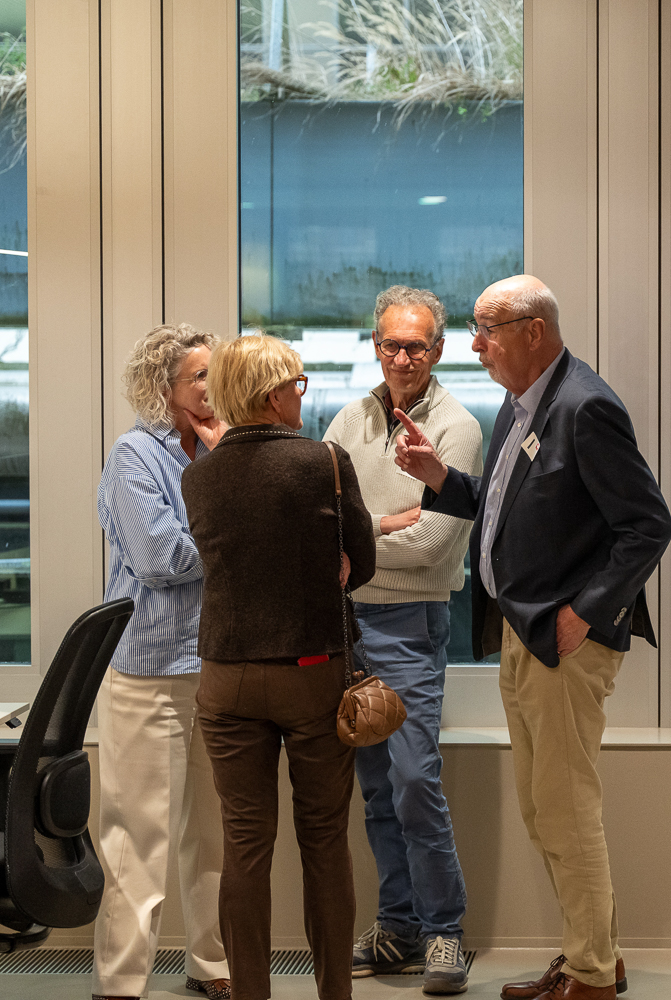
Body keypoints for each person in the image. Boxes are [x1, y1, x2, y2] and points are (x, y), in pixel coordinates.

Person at [394, 275, 671, 1000]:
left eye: (487, 330)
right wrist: (439, 477)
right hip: (524, 633)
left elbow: (648, 525)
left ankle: (591, 976)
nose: (476, 346)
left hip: (564, 641)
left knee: (566, 811)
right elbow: (505, 506)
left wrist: (586, 614)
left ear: (533, 332)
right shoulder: (522, 405)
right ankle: (593, 954)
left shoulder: (585, 405)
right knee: (545, 809)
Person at [182, 334, 377, 1000]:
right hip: (312, 672)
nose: (301, 394)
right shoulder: (323, 461)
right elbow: (361, 561)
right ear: (273, 395)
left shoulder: (199, 476)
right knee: (323, 840)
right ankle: (334, 994)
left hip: (226, 677)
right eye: (297, 383)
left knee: (244, 845)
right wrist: (331, 565)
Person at [323, 286, 483, 994]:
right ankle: (399, 927)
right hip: (349, 626)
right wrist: (383, 524)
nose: (403, 357)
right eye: (391, 343)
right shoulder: (348, 419)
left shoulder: (458, 427)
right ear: (375, 346)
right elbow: (320, 518)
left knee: (416, 781)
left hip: (412, 624)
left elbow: (432, 546)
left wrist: (356, 541)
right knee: (377, 789)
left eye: (416, 345)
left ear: (438, 350)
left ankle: (445, 930)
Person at [94, 324, 231, 1000]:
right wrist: (235, 537)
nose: (211, 386)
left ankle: (213, 966)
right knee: (136, 837)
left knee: (216, 834)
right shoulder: (134, 455)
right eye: (198, 376)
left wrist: (226, 477)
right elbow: (159, 558)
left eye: (215, 373)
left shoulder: (224, 449)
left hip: (219, 665)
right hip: (147, 670)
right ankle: (121, 982)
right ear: (163, 387)